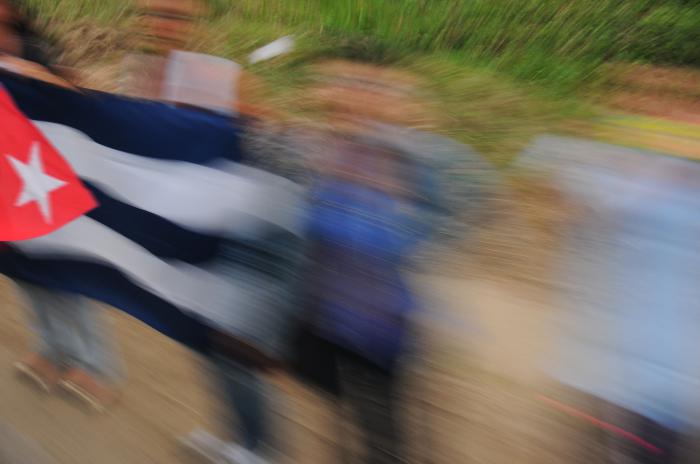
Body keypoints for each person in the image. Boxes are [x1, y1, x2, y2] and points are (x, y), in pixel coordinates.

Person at [121, 2, 302, 462]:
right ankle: (235, 437)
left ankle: (263, 450)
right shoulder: (141, 72)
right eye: (155, 13)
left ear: (196, 21)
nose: (164, 24)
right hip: (180, 231)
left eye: (177, 15)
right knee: (203, 338)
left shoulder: (220, 74)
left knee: (234, 344)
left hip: (234, 234)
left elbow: (275, 139)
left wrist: (232, 117)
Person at [293, 61, 446, 464]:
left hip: (380, 319)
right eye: (335, 85)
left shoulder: (401, 155)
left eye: (358, 88)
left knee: (382, 432)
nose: (341, 95)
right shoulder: (321, 147)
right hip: (330, 311)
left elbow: (414, 233)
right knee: (345, 418)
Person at [0, 0, 122, 412]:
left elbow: (73, 100)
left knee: (64, 272)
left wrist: (38, 76)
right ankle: (50, 351)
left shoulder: (35, 50)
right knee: (24, 271)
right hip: (5, 187)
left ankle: (96, 366)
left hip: (45, 180)